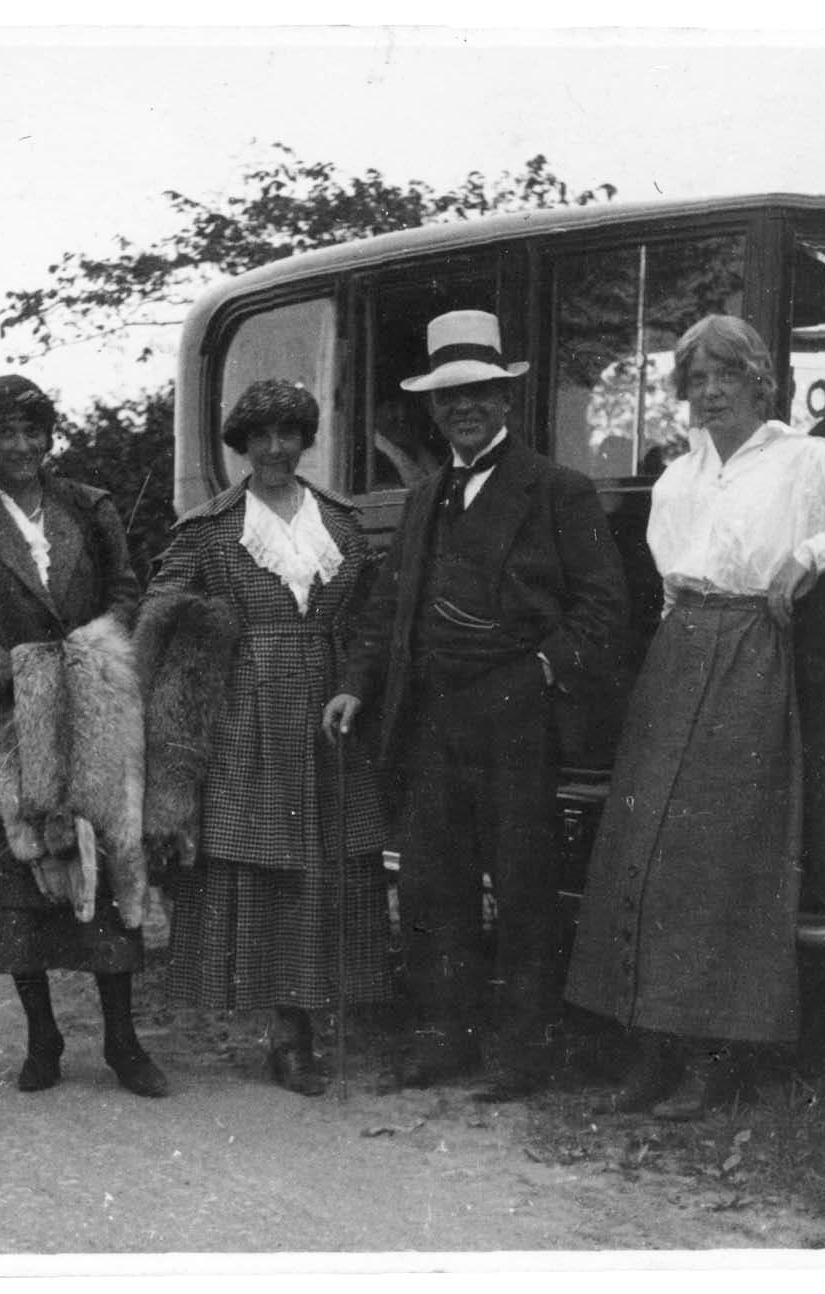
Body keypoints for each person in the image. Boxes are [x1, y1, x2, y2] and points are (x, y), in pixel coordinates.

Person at [563, 315, 825, 1117]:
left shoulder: (807, 461)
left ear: (760, 383)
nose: (711, 391)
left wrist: (810, 556)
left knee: (721, 856)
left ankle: (713, 1059)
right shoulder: (676, 478)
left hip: (755, 655)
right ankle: (649, 1051)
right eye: (697, 379)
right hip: (678, 651)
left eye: (727, 375)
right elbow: (669, 585)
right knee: (645, 849)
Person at [323, 310, 629, 1101]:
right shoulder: (425, 497)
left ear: (505, 398)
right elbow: (387, 608)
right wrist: (356, 682)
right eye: (448, 396)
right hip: (429, 718)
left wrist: (538, 673)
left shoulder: (557, 491)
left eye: (478, 393)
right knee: (433, 885)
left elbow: (603, 608)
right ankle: (443, 1039)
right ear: (433, 409)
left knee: (524, 887)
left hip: (517, 718)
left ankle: (524, 1051)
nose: (464, 407)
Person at [0, 375, 168, 1099]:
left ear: (50, 437)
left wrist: (91, 658)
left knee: (106, 856)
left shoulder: (89, 506)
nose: (22, 446)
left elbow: (126, 589)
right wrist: (20, 676)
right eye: (6, 432)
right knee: (16, 874)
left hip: (90, 707)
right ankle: (43, 1037)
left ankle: (123, 1041)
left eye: (34, 431)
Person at [145, 379, 391, 1097]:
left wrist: (358, 685)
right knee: (267, 866)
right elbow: (161, 610)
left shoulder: (342, 522)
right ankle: (284, 1036)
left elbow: (373, 617)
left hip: (330, 709)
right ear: (242, 446)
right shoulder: (211, 527)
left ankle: (310, 1023)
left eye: (288, 434)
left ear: (306, 440)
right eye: (261, 437)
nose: (275, 449)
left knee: (324, 865)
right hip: (246, 711)